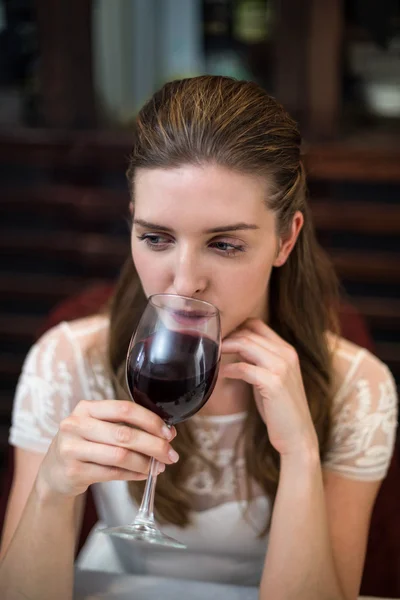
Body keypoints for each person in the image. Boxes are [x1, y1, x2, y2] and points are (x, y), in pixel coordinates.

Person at [0, 75, 397, 600]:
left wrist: (300, 451)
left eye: (225, 244)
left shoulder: (359, 386)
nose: (184, 281)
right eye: (157, 238)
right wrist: (50, 490)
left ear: (285, 239)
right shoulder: (65, 361)